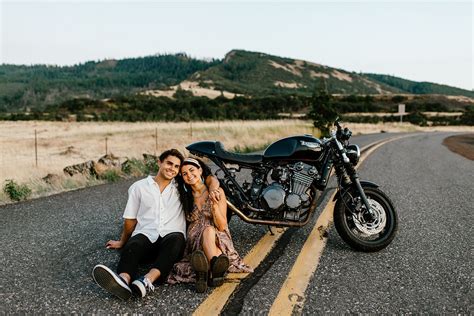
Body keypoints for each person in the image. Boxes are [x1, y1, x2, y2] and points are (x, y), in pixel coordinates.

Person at [92, 149, 220, 300]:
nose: (172, 168)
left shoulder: (181, 187)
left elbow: (210, 178)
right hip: (147, 236)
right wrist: (122, 242)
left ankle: (146, 281)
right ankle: (122, 281)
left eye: (176, 166)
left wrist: (213, 190)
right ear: (159, 162)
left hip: (172, 239)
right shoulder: (138, 187)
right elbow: (130, 221)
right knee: (133, 245)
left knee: (176, 240)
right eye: (169, 163)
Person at [167, 157, 253, 293]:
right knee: (209, 238)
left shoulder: (216, 192)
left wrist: (213, 207)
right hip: (194, 238)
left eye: (191, 170)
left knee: (208, 231)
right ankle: (215, 269)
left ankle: (205, 272)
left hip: (217, 233)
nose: (189, 175)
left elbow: (222, 225)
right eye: (184, 174)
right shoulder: (184, 196)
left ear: (200, 170)